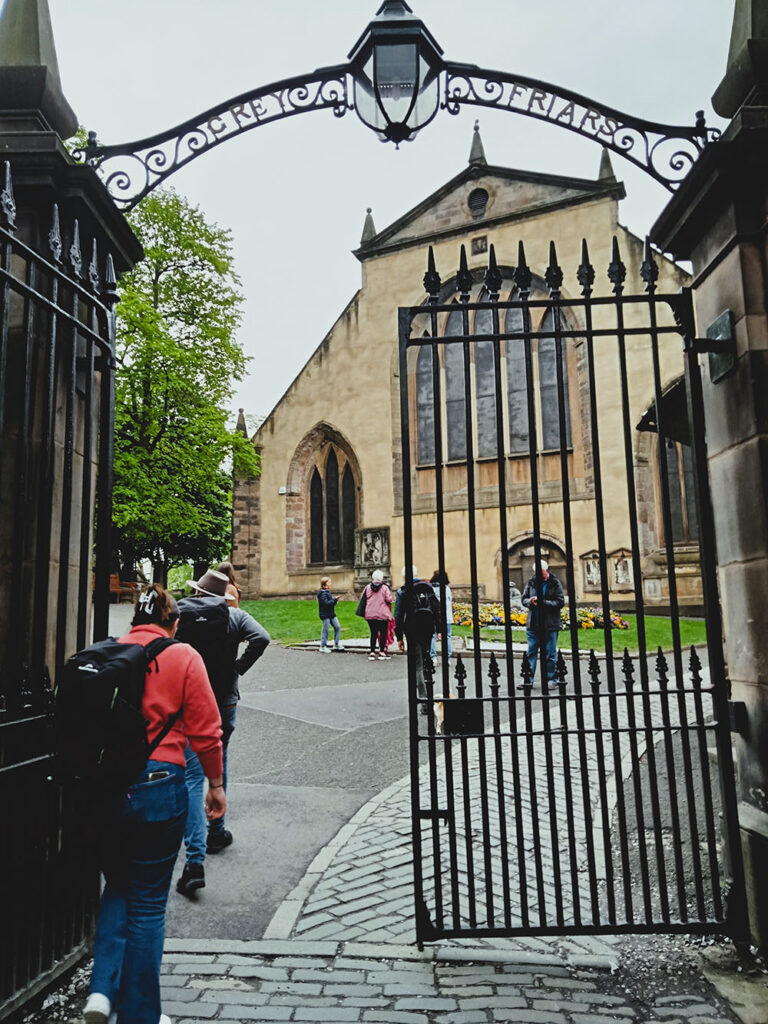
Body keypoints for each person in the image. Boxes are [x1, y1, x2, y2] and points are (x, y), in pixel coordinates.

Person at [83, 584, 224, 1024]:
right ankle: (140, 1015)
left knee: (117, 888)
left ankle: (102, 992)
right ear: (173, 621)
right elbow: (206, 729)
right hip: (160, 783)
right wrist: (216, 785)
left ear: (134, 621)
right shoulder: (182, 656)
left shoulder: (109, 652)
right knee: (147, 904)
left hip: (107, 787)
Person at [175, 569, 270, 897]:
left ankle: (195, 854)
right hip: (225, 702)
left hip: (192, 703)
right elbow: (263, 638)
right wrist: (238, 668)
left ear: (199, 593)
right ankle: (217, 829)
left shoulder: (184, 615)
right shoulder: (235, 616)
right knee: (221, 762)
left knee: (192, 775)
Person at [394, 566, 439, 711]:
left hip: (412, 630)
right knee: (426, 660)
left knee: (418, 665)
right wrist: (439, 629)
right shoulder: (427, 588)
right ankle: (428, 690)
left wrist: (399, 637)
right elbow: (437, 608)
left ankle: (424, 700)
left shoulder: (403, 591)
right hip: (427, 629)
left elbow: (398, 616)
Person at [521, 560, 565, 688]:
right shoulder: (532, 582)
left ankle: (551, 679)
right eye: (537, 573)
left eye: (542, 572)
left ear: (546, 570)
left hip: (550, 624)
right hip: (533, 623)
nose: (539, 575)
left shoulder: (554, 583)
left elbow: (560, 602)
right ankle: (528, 680)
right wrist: (530, 601)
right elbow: (523, 599)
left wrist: (543, 602)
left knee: (550, 653)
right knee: (531, 653)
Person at [362, 568, 393, 660]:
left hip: (370, 614)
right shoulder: (384, 588)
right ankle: (382, 651)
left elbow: (364, 598)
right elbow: (389, 599)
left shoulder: (368, 587)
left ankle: (372, 651)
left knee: (373, 633)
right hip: (382, 614)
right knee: (383, 633)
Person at [429, 569, 453, 662]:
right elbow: (450, 600)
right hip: (447, 616)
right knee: (447, 637)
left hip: (435, 615)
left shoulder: (431, 588)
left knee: (433, 636)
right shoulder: (446, 588)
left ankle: (433, 657)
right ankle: (447, 658)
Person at [317, 575, 344, 653]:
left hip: (331, 614)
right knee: (326, 630)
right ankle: (322, 646)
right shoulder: (322, 593)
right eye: (329, 582)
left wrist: (335, 600)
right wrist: (334, 600)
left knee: (338, 627)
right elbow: (326, 604)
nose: (331, 583)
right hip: (325, 615)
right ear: (324, 584)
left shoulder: (327, 592)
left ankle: (336, 644)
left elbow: (330, 603)